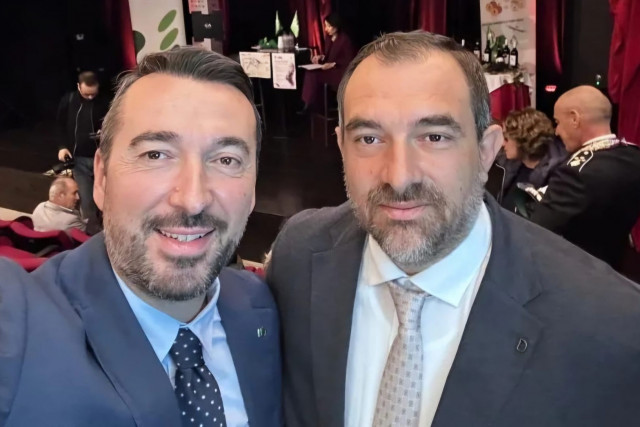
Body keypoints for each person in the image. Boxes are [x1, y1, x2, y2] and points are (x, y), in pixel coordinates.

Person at [267, 31, 640, 427]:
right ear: (342, 147)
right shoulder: (299, 255)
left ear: (487, 151)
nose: (399, 177)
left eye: (434, 137)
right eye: (369, 138)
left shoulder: (609, 324)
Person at [1, 47, 281, 427]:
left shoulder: (265, 306)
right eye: (156, 155)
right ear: (101, 178)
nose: (193, 198)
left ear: (253, 190)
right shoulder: (21, 328)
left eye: (226, 160)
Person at [530, 85, 640, 268]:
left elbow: (537, 230)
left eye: (557, 122)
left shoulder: (576, 172)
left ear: (574, 118)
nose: (556, 131)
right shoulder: (634, 157)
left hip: (574, 271)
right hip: (616, 267)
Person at [56, 71, 109, 233]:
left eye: (93, 94)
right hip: (79, 160)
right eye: (86, 94)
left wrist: (105, 132)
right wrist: (62, 146)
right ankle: (92, 235)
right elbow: (60, 125)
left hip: (102, 159)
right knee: (87, 202)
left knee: (106, 198)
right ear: (78, 87)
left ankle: (110, 231)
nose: (90, 97)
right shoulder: (69, 100)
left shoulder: (106, 102)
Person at [494, 107, 566, 213]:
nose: (502, 144)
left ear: (523, 139)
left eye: (506, 139)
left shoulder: (556, 176)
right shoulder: (504, 165)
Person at [299, 13, 356, 113]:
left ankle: (309, 105)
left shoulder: (345, 40)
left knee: (314, 76)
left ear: (336, 26)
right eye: (326, 26)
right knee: (310, 72)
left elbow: (349, 60)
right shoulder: (328, 38)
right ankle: (308, 103)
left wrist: (333, 64)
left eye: (329, 26)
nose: (326, 29)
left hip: (340, 71)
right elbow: (327, 55)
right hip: (328, 69)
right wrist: (320, 57)